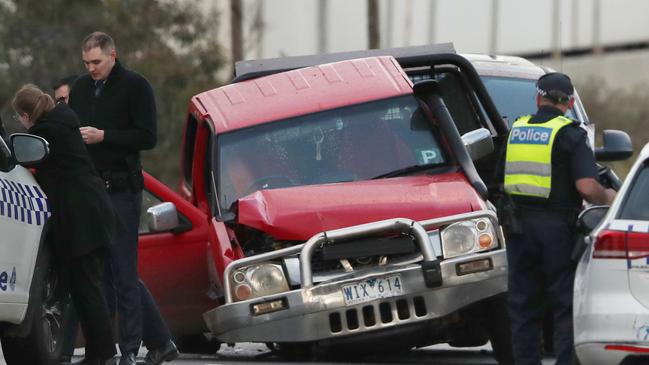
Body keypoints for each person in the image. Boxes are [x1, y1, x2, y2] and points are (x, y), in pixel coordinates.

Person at [68, 32, 178, 365]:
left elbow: (148, 136)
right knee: (96, 274)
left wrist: (104, 137)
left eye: (97, 62)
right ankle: (104, 349)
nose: (91, 69)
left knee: (124, 274)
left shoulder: (136, 85)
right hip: (91, 191)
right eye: (86, 63)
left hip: (122, 189)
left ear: (113, 55)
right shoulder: (82, 88)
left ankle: (130, 350)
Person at [502, 72, 616, 365]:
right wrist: (609, 199)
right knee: (565, 306)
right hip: (557, 232)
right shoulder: (571, 134)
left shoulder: (516, 129)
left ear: (538, 98)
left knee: (523, 308)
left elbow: (497, 180)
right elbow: (587, 188)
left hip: (518, 229)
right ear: (570, 102)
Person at [12, 84, 117, 365]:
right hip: (92, 210)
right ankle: (101, 352)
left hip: (81, 217)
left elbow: (22, 156)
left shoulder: (45, 133)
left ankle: (103, 354)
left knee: (87, 290)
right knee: (88, 287)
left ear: (25, 114)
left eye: (18, 118)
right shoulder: (63, 121)